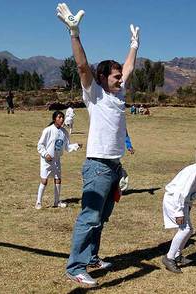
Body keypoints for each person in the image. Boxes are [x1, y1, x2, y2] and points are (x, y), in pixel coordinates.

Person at [56, 3, 140, 286]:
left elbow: (129, 67)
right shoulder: (96, 94)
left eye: (119, 76)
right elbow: (82, 65)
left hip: (114, 167)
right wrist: (74, 33)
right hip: (97, 167)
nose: (120, 78)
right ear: (103, 78)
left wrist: (134, 44)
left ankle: (92, 257)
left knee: (101, 218)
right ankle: (75, 266)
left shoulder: (118, 93)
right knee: (89, 217)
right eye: (115, 76)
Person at [162, 144, 196, 273]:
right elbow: (180, 193)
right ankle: (169, 258)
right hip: (174, 201)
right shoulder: (193, 173)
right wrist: (179, 213)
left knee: (188, 230)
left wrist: (188, 207)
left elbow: (191, 194)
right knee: (185, 229)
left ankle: (177, 256)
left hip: (183, 203)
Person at [36, 110, 82, 209]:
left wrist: (76, 146)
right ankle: (38, 202)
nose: (61, 119)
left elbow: (67, 147)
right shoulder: (48, 130)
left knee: (58, 180)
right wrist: (45, 154)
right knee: (44, 181)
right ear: (54, 119)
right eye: (59, 117)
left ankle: (56, 202)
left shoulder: (64, 132)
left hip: (56, 160)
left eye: (62, 117)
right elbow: (40, 145)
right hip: (46, 160)